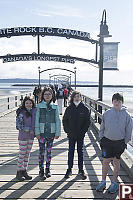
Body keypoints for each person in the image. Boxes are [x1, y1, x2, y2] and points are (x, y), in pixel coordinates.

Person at [96, 93, 133, 193]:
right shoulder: (107, 113)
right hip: (107, 141)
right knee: (105, 161)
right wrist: (101, 138)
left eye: (119, 101)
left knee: (116, 162)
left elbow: (129, 130)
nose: (117, 103)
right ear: (112, 102)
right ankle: (103, 181)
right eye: (115, 101)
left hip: (119, 142)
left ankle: (114, 183)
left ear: (122, 102)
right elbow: (102, 127)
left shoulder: (126, 115)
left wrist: (125, 142)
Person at [63, 91, 90, 179]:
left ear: (81, 98)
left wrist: (83, 132)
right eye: (75, 96)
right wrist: (67, 131)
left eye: (78, 96)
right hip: (71, 134)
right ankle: (69, 169)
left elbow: (87, 122)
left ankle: (81, 170)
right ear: (72, 98)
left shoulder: (84, 109)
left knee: (80, 152)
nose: (77, 98)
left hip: (80, 135)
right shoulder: (69, 108)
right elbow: (65, 120)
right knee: (71, 151)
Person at [35, 87, 61, 180]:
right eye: (45, 94)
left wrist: (57, 132)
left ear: (52, 95)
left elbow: (57, 120)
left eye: (49, 94)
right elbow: (36, 120)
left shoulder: (55, 106)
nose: (47, 96)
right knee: (41, 152)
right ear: (42, 95)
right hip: (41, 133)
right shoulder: (39, 106)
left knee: (49, 152)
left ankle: (47, 169)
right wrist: (37, 132)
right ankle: (41, 169)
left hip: (51, 132)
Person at [16, 96, 36, 181]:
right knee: (22, 154)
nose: (28, 104)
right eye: (27, 103)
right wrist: (29, 130)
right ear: (24, 104)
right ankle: (18, 171)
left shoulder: (34, 112)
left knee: (27, 155)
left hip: (31, 137)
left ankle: (24, 170)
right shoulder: (21, 113)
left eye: (30, 103)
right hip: (23, 137)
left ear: (32, 104)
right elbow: (18, 126)